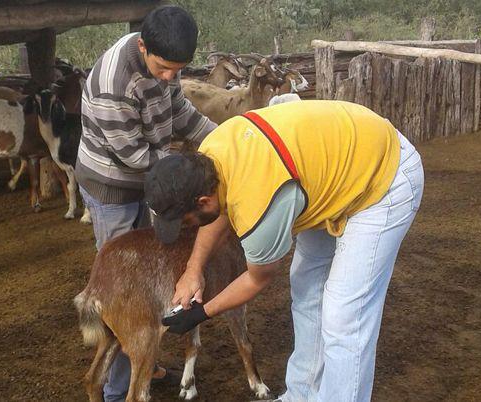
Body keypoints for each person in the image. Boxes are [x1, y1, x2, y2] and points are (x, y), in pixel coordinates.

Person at [144, 100, 424, 402]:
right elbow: (219, 209)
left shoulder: (258, 207)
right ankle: (301, 395)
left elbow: (257, 278)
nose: (186, 228)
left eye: (185, 220)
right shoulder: (209, 155)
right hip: (336, 163)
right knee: (306, 285)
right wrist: (192, 270)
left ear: (200, 202)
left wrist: (202, 312)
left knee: (345, 314)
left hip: (383, 176)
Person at [75, 5, 217, 402]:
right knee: (128, 290)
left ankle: (141, 358)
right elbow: (134, 158)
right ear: (142, 46)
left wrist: (225, 139)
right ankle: (121, 391)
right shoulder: (113, 84)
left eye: (178, 69)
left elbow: (181, 112)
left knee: (155, 257)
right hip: (112, 187)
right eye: (164, 69)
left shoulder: (165, 63)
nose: (171, 77)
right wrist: (190, 173)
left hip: (152, 178)